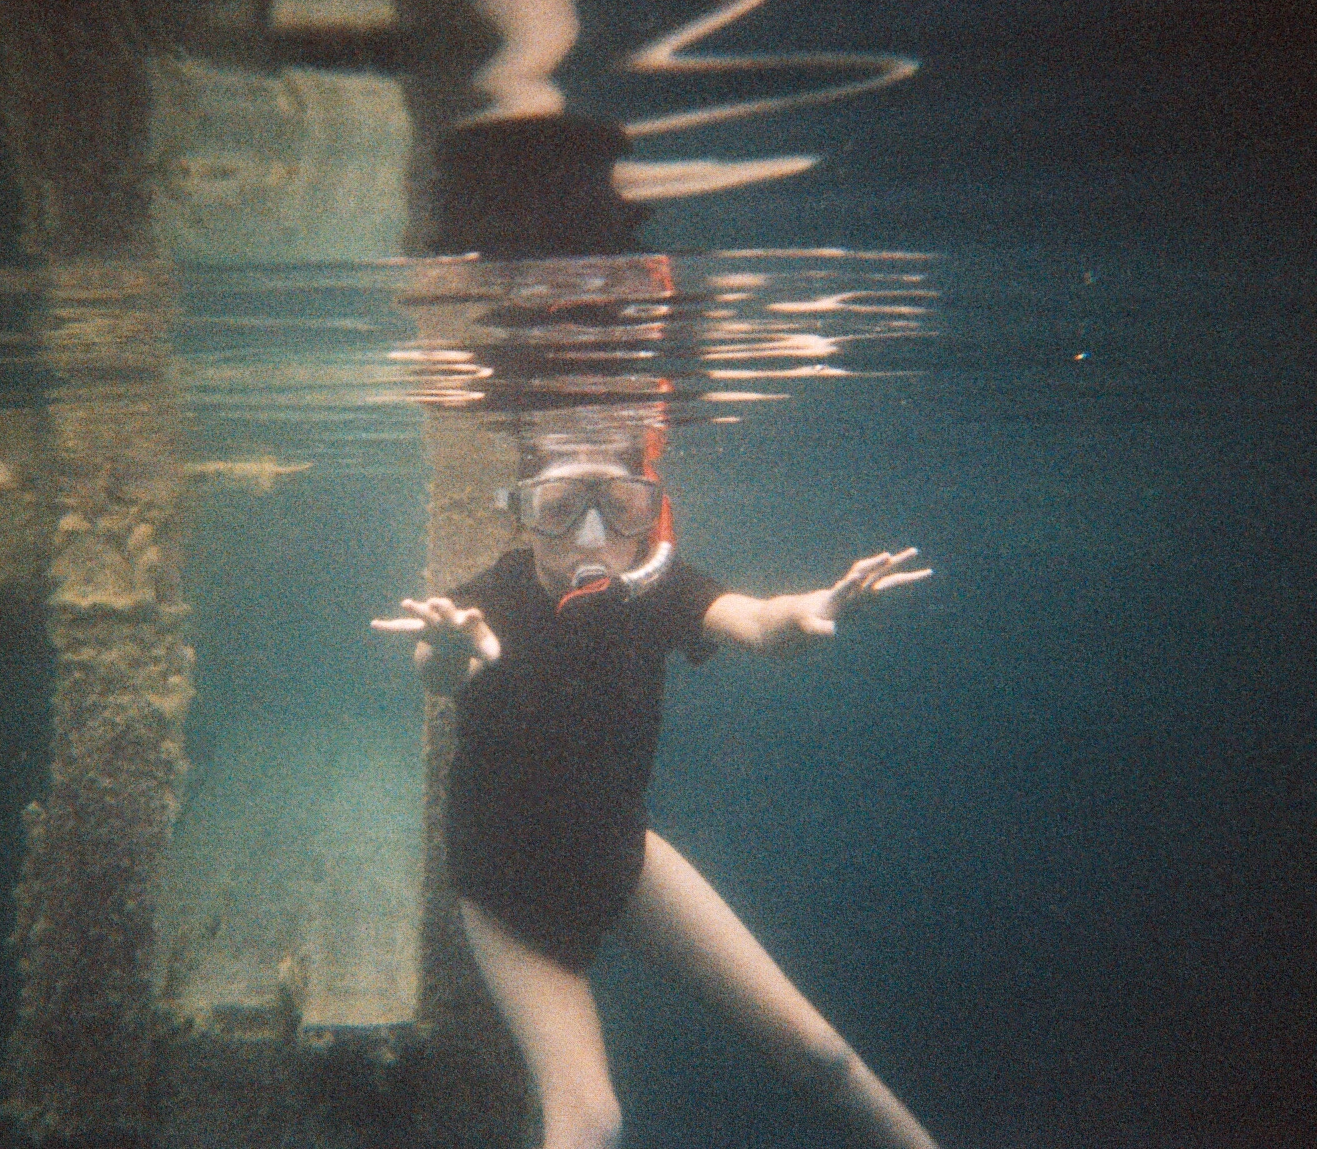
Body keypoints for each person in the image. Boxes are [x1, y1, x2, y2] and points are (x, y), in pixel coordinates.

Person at [374, 419, 940, 1149]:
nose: (589, 536)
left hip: (621, 856)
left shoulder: (658, 590)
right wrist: (447, 651)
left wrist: (811, 610)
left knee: (822, 1058)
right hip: (508, 890)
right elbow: (440, 668)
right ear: (522, 515)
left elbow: (757, 623)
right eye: (557, 508)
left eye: (619, 506)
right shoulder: (486, 605)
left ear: (648, 514)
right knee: (590, 1124)